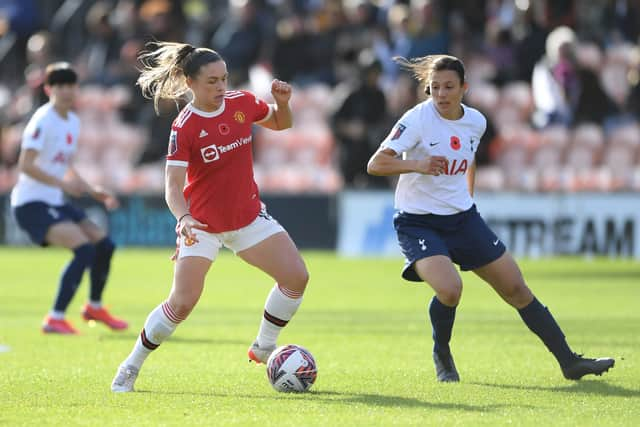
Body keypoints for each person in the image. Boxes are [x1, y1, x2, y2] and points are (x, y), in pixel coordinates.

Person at [366, 54, 615, 382]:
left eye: (448, 87)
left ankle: (569, 362)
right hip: (418, 222)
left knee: (516, 288)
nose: (441, 94)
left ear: (464, 88)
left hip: (463, 219)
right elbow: (376, 164)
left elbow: (467, 161)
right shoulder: (415, 120)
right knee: (450, 290)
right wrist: (417, 164)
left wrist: (468, 198)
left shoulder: (476, 122)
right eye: (435, 87)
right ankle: (442, 351)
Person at [111, 42, 309, 392]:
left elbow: (280, 124)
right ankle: (131, 365)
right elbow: (172, 186)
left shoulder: (241, 103)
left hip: (247, 217)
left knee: (296, 277)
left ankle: (263, 346)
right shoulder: (184, 127)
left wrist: (282, 103)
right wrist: (184, 218)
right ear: (190, 83)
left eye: (224, 79)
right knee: (182, 302)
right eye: (212, 82)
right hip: (201, 226)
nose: (221, 87)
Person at [10, 62, 127, 335]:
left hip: (54, 200)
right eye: (60, 86)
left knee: (105, 245)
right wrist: (62, 184)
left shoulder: (72, 121)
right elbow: (25, 165)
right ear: (49, 89)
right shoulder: (43, 119)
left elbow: (66, 165)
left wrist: (90, 189)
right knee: (84, 249)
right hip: (31, 203)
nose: (66, 91)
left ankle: (94, 306)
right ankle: (55, 317)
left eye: (71, 85)